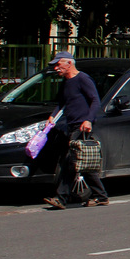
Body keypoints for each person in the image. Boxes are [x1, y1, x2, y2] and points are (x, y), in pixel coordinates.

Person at [43, 51, 109, 209]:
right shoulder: (66, 82)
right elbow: (61, 103)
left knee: (71, 161)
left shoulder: (82, 79)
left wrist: (88, 120)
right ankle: (101, 196)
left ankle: (61, 198)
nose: (56, 68)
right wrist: (52, 116)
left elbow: (95, 100)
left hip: (82, 126)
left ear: (69, 63)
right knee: (82, 162)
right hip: (71, 125)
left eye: (58, 65)